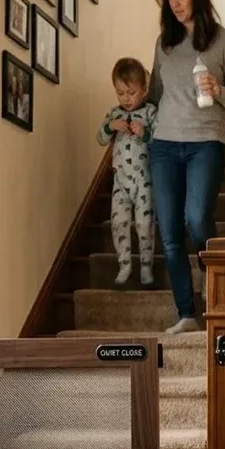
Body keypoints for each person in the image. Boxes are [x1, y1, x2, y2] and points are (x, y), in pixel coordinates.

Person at [148, 0, 225, 334]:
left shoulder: (223, 41)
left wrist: (219, 90)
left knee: (196, 218)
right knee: (170, 231)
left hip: (206, 143)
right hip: (164, 145)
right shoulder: (164, 44)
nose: (175, 3)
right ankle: (187, 313)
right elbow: (155, 95)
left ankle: (218, 287)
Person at [97, 57, 157, 287]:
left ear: (143, 89)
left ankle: (146, 266)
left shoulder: (150, 112)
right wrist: (109, 127)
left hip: (144, 179)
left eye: (131, 92)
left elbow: (160, 140)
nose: (126, 98)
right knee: (119, 221)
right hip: (120, 181)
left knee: (144, 223)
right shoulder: (114, 114)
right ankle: (124, 264)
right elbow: (100, 139)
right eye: (120, 93)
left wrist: (145, 132)